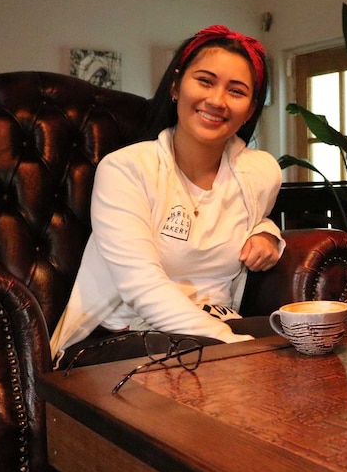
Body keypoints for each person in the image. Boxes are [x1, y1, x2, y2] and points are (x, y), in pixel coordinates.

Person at [51, 25, 284, 368]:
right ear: (176, 86)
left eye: (236, 91)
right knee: (214, 363)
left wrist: (268, 234)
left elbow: (241, 216)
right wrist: (231, 345)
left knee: (305, 338)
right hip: (119, 336)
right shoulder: (126, 170)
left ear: (250, 110)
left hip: (217, 323)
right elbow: (142, 287)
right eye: (205, 81)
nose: (217, 101)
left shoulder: (260, 172)